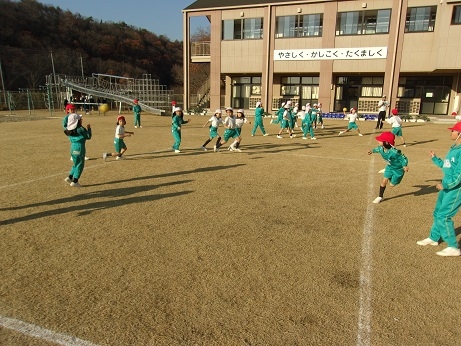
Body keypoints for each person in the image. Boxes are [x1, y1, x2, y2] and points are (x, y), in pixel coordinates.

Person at [416, 122, 461, 256]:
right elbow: (447, 166)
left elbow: (458, 175)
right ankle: (434, 238)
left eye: (453, 131)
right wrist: (435, 159)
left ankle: (453, 246)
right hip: (446, 186)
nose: (451, 132)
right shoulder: (454, 148)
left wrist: (446, 185)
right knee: (437, 213)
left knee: (444, 215)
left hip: (455, 189)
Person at [367, 131, 409, 204]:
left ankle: (392, 176)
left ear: (386, 142)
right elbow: (377, 149)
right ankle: (380, 197)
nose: (378, 140)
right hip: (389, 167)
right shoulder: (381, 148)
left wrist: (404, 165)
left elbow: (403, 158)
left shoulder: (395, 152)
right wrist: (372, 151)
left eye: (380, 140)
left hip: (398, 170)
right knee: (384, 181)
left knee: (392, 185)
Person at [64, 113, 92, 187]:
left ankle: (69, 177)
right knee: (80, 164)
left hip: (73, 147)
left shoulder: (69, 130)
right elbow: (88, 137)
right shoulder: (81, 129)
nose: (81, 120)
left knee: (76, 163)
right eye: (80, 119)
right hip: (80, 147)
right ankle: (75, 181)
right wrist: (89, 129)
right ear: (77, 121)